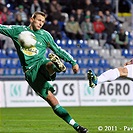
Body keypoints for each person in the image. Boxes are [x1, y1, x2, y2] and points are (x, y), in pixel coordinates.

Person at [0, 11, 88, 133]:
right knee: (53, 101)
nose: (41, 23)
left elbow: (58, 49)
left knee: (48, 63)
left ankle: (56, 66)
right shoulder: (18, 31)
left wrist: (73, 62)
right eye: (39, 20)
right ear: (32, 19)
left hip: (42, 63)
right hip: (30, 72)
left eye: (43, 22)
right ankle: (76, 125)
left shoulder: (45, 35)